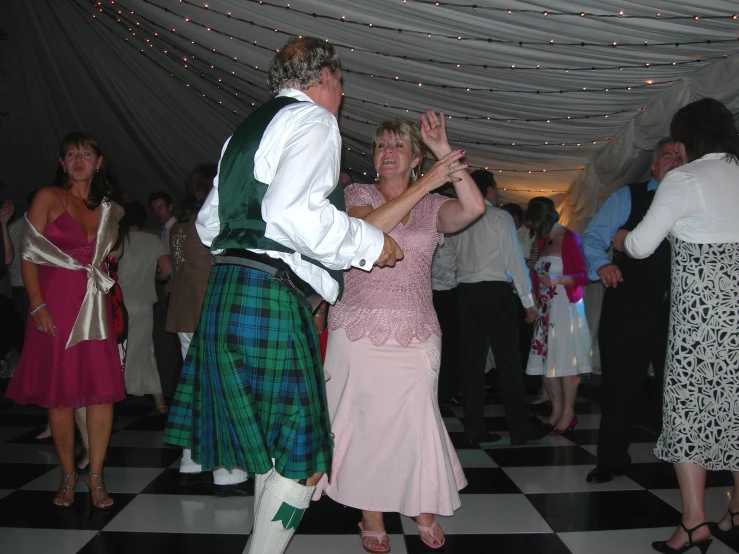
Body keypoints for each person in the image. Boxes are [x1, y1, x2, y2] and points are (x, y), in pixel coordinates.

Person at [163, 36, 401, 554]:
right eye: (342, 85)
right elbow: (294, 215)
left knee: (274, 450)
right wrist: (370, 242)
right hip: (269, 298)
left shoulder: (245, 132)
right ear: (324, 79)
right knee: (306, 459)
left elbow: (208, 225)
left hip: (228, 292)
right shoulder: (315, 121)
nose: (343, 97)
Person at [317, 113, 482, 552]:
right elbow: (368, 232)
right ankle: (370, 513)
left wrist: (444, 153)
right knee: (364, 422)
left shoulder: (432, 206)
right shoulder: (358, 193)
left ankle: (421, 503)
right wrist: (425, 183)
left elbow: (474, 208)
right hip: (358, 329)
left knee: (416, 419)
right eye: (380, 146)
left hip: (416, 330)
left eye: (397, 147)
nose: (386, 153)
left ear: (415, 159)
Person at [621, 98, 739, 554]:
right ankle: (735, 510)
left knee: (689, 414)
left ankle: (694, 523)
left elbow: (641, 245)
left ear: (686, 141)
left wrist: (622, 241)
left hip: (701, 322)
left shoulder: (684, 179)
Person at [6, 131, 126, 509]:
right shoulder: (48, 197)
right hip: (54, 306)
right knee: (59, 397)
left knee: (100, 395)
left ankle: (96, 476)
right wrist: (37, 305)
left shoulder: (107, 205)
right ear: (61, 163)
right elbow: (28, 256)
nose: (78, 159)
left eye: (86, 153)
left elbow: (112, 255)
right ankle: (67, 474)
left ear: (98, 162)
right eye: (70, 153)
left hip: (94, 306)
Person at [581, 138, 682, 484]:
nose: (676, 161)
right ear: (654, 166)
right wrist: (601, 266)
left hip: (679, 312)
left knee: (677, 390)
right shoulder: (629, 196)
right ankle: (611, 460)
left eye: (682, 157)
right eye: (669, 156)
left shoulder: (693, 201)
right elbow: (593, 236)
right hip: (629, 307)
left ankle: (678, 462)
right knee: (621, 386)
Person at [164, 163, 250, 496]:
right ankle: (227, 473)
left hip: (184, 316)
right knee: (221, 393)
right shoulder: (215, 226)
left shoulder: (178, 228)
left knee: (195, 392)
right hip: (211, 317)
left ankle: (191, 463)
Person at [451, 170, 545, 447]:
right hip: (495, 291)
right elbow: (514, 259)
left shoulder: (459, 216)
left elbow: (449, 257)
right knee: (508, 362)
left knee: (472, 363)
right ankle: (520, 429)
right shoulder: (500, 217)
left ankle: (474, 429)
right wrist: (528, 301)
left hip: (465, 293)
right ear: (490, 190)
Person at [524, 197, 592, 433]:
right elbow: (536, 276)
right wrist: (532, 302)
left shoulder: (569, 238)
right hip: (546, 309)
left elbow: (585, 275)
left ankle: (568, 412)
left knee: (564, 362)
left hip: (565, 307)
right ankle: (556, 411)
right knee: (545, 363)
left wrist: (558, 280)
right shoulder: (543, 240)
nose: (534, 230)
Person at [117, 201, 171, 414]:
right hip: (144, 303)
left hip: (118, 305)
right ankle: (159, 401)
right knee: (146, 350)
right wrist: (154, 278)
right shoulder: (152, 240)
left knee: (117, 352)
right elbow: (167, 269)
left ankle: (114, 395)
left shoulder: (118, 240)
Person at [148, 190, 181, 397]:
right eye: (155, 209)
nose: (158, 212)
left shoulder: (176, 229)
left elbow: (176, 263)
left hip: (174, 289)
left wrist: (165, 279)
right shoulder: (164, 231)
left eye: (161, 207)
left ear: (170, 207)